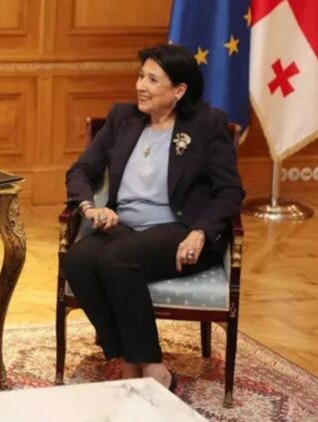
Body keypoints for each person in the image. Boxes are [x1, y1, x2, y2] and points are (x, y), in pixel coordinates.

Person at [62, 43, 244, 391]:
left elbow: (230, 191)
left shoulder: (206, 125)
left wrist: (201, 232)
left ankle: (150, 369)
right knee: (78, 260)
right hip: (126, 227)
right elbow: (81, 171)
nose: (140, 86)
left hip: (181, 230)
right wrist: (90, 208)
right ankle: (132, 359)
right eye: (140, 76)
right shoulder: (123, 118)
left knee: (116, 259)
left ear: (179, 90)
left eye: (152, 80)